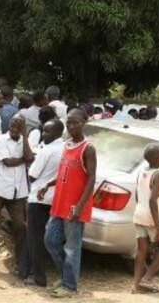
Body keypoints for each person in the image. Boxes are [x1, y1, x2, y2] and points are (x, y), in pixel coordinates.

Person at [44, 108, 97, 299]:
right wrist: (47, 185)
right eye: (69, 122)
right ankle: (66, 276)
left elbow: (91, 179)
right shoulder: (66, 144)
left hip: (74, 206)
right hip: (59, 203)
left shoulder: (88, 148)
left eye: (75, 122)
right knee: (50, 240)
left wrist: (80, 206)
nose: (71, 126)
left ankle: (69, 285)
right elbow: (64, 173)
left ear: (84, 122)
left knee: (72, 247)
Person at [0, 115, 33, 271]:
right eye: (12, 125)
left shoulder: (23, 140)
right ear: (9, 125)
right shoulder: (0, 140)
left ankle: (19, 261)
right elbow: (8, 162)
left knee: (20, 226)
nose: (14, 129)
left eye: (18, 127)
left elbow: (30, 157)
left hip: (18, 191)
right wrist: (23, 159)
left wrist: (25, 137)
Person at [24, 119, 65, 286]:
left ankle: (39, 278)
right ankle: (24, 268)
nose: (43, 134)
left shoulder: (46, 150)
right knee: (47, 238)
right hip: (55, 199)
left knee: (36, 238)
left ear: (56, 133)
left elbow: (32, 176)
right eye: (44, 130)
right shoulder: (65, 148)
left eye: (47, 131)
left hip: (38, 198)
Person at [132, 145, 159, 293]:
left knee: (141, 251)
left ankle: (135, 285)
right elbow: (152, 201)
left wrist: (140, 209)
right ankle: (147, 278)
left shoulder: (141, 172)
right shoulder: (158, 176)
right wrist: (157, 227)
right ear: (156, 158)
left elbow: (138, 195)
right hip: (153, 217)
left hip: (139, 215)